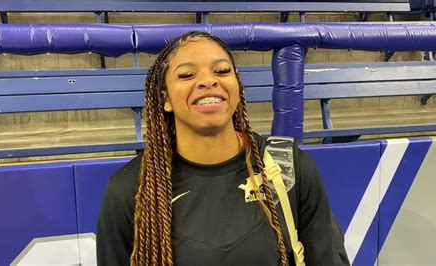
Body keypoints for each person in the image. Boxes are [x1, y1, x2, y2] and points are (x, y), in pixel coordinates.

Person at [97, 31, 347, 266]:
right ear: (165, 99)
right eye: (186, 75)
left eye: (222, 70)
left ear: (237, 88)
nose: (208, 81)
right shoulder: (131, 189)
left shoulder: (288, 166)